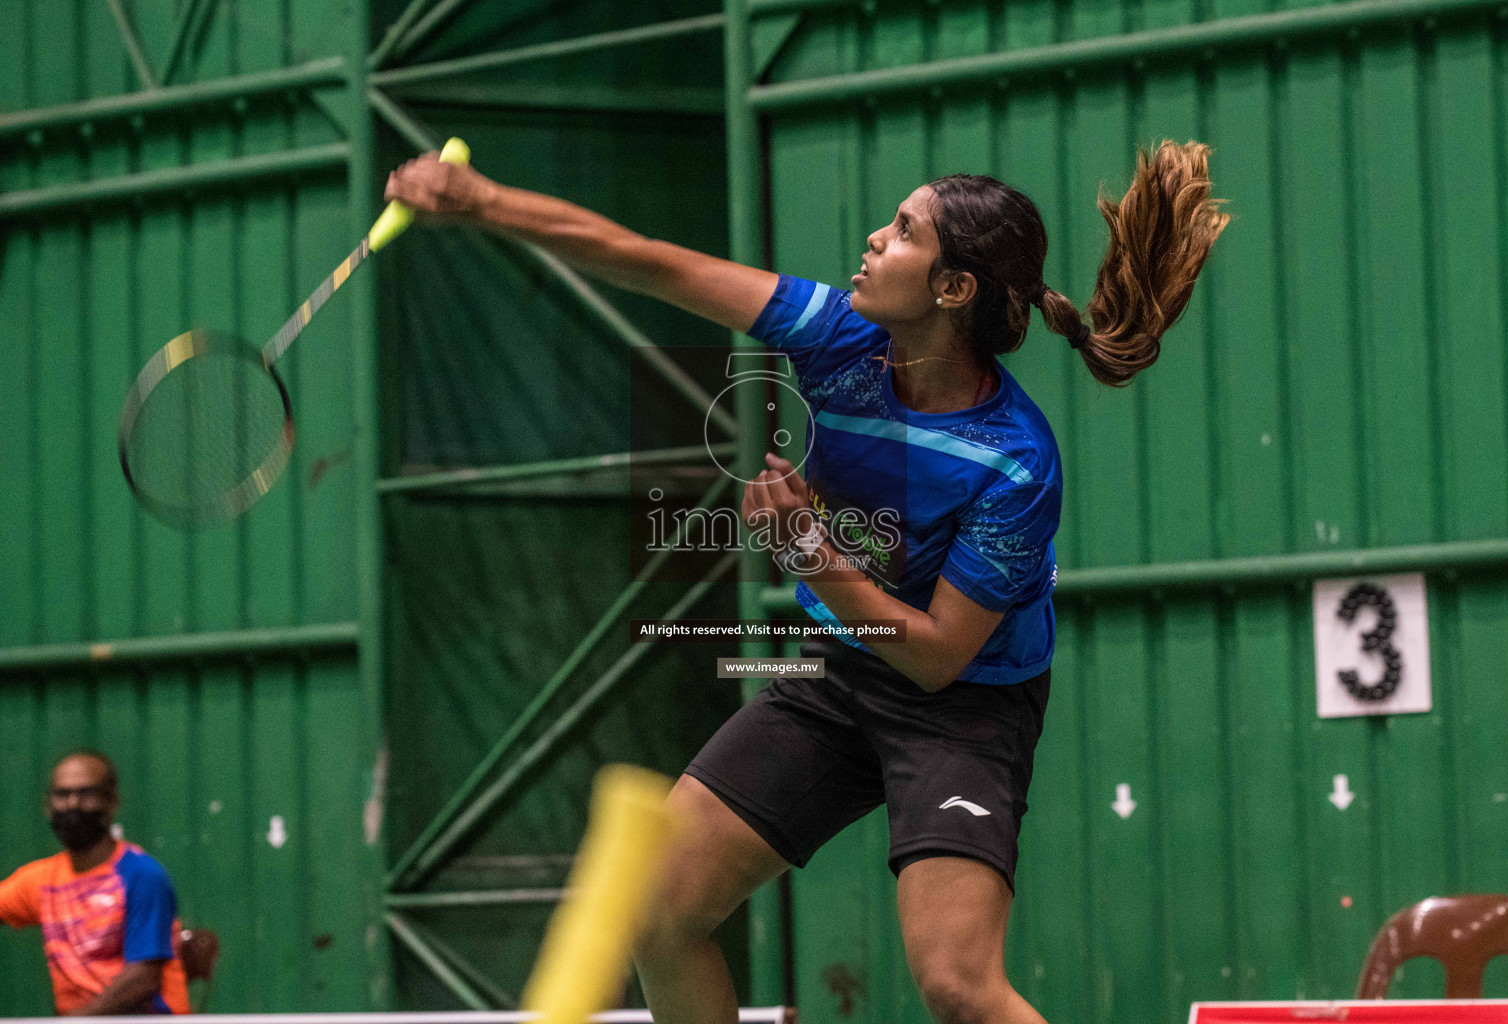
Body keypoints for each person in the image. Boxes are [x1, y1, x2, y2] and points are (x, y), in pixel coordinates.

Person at [385, 138, 1227, 1024]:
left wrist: (807, 549)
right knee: (660, 914)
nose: (872, 239)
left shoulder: (1013, 463)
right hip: (841, 675)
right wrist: (485, 203)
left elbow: (939, 656)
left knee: (958, 986)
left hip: (967, 707)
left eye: (903, 232)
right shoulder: (836, 336)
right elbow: (652, 263)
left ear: (954, 289)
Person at [0, 751, 190, 1015]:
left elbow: (143, 977)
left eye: (86, 794)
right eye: (62, 795)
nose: (72, 805)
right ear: (48, 805)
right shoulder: (42, 881)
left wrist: (78, 1021)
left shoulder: (142, 875)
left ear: (112, 802)